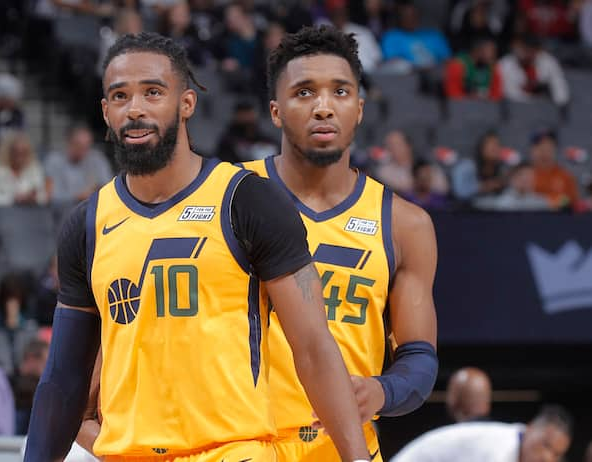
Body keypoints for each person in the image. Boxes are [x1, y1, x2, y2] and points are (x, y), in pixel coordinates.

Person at [24, 32, 371, 462]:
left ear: (186, 104)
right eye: (120, 96)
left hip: (232, 452)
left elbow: (315, 349)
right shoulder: (86, 224)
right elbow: (63, 379)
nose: (136, 109)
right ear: (106, 112)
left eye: (153, 92)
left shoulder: (247, 200)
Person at [243, 26, 438, 462]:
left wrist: (380, 391)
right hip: (238, 447)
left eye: (340, 92)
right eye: (305, 93)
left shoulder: (404, 225)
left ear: (360, 109)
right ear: (276, 111)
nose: (324, 107)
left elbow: (419, 361)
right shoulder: (227, 196)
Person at [392, 405, 572, 462]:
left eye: (556, 454)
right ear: (530, 428)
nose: (548, 458)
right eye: (546, 445)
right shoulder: (500, 448)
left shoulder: (516, 441)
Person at [0, 130, 50, 207]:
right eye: (17, 152)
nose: (20, 158)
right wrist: (13, 199)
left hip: (28, 215)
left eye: (24, 152)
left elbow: (42, 196)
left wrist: (34, 198)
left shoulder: (34, 167)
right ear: (8, 151)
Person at [44, 125, 114, 204]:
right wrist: (78, 196)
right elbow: (50, 195)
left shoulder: (97, 159)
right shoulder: (54, 161)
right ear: (69, 142)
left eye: (87, 146)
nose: (84, 151)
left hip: (93, 210)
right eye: (79, 146)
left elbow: (109, 188)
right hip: (62, 212)